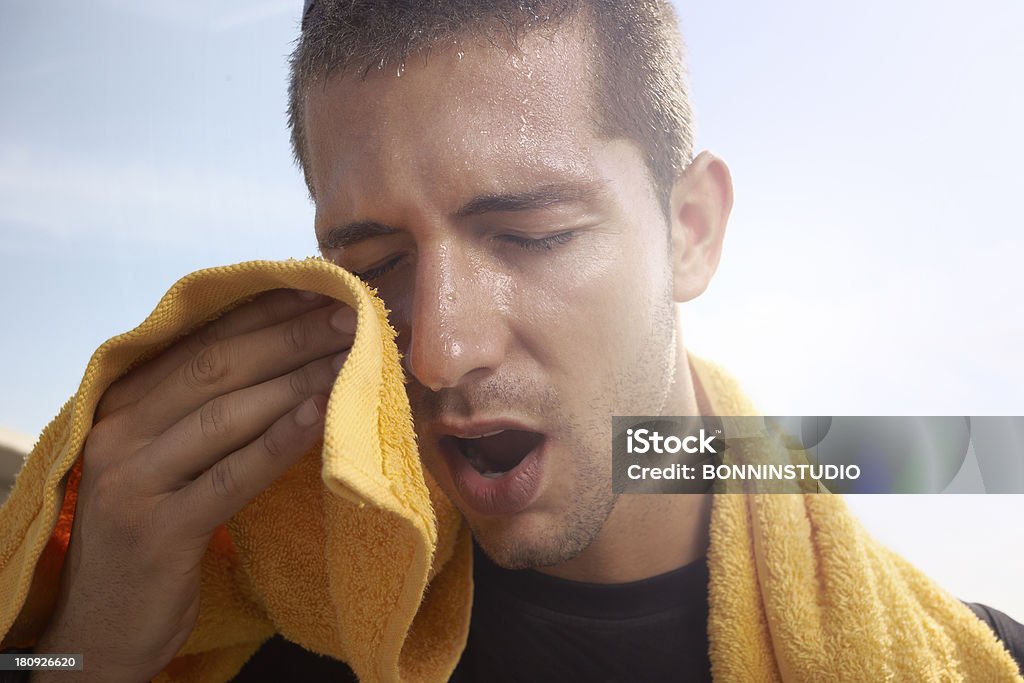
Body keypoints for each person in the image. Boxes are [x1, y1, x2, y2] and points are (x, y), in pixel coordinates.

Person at [25, 1, 1023, 681]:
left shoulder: (974, 653)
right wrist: (79, 649)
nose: (439, 351)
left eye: (531, 234)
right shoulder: (281, 626)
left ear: (690, 231)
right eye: (374, 265)